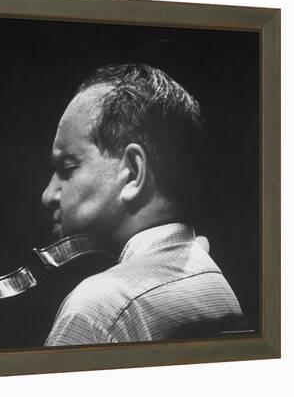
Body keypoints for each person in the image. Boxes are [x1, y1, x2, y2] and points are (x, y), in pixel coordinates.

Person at [41, 64, 243, 346]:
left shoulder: (98, 310)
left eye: (68, 166)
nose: (48, 194)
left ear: (134, 173)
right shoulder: (215, 282)